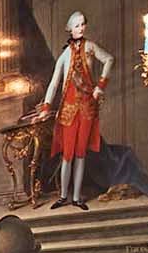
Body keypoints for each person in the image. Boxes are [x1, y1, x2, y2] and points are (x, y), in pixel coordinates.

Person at [33, 11, 113, 211]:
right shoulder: (65, 54)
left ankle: (77, 197)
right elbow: (53, 83)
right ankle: (63, 196)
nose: (81, 28)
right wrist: (46, 108)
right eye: (77, 25)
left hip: (86, 108)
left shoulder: (91, 47)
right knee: (67, 154)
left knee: (80, 154)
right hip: (68, 111)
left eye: (83, 24)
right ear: (70, 28)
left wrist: (100, 86)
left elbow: (109, 60)